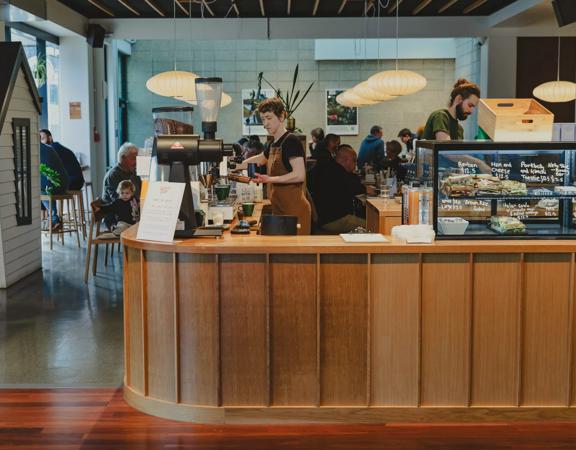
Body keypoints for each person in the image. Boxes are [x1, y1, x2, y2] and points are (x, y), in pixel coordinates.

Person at [242, 97, 311, 235]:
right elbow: (261, 159)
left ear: (281, 116)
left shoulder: (291, 141)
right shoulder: (273, 143)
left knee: (296, 255)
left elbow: (299, 175)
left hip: (295, 210)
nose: (265, 124)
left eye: (269, 118)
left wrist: (269, 179)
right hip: (280, 209)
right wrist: (238, 164)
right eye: (263, 119)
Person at [310, 144, 367, 234]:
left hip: (325, 217)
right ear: (345, 160)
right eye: (354, 161)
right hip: (334, 219)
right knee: (373, 225)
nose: (355, 165)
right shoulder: (339, 173)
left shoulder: (330, 168)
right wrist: (367, 189)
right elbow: (357, 189)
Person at [40, 143, 70, 230]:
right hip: (64, 184)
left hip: (53, 185)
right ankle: (52, 219)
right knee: (44, 185)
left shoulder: (35, 150)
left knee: (41, 189)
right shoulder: (49, 148)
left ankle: (52, 220)